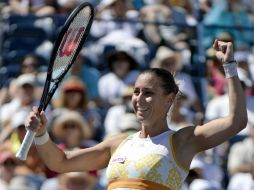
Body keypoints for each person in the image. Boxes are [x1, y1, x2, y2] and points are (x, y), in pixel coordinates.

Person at [23, 40, 247, 190]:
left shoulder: (182, 141)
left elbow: (235, 121)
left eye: (148, 93)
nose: (138, 98)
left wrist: (229, 67)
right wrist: (42, 134)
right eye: (136, 91)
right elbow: (60, 162)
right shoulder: (118, 143)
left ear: (169, 99)